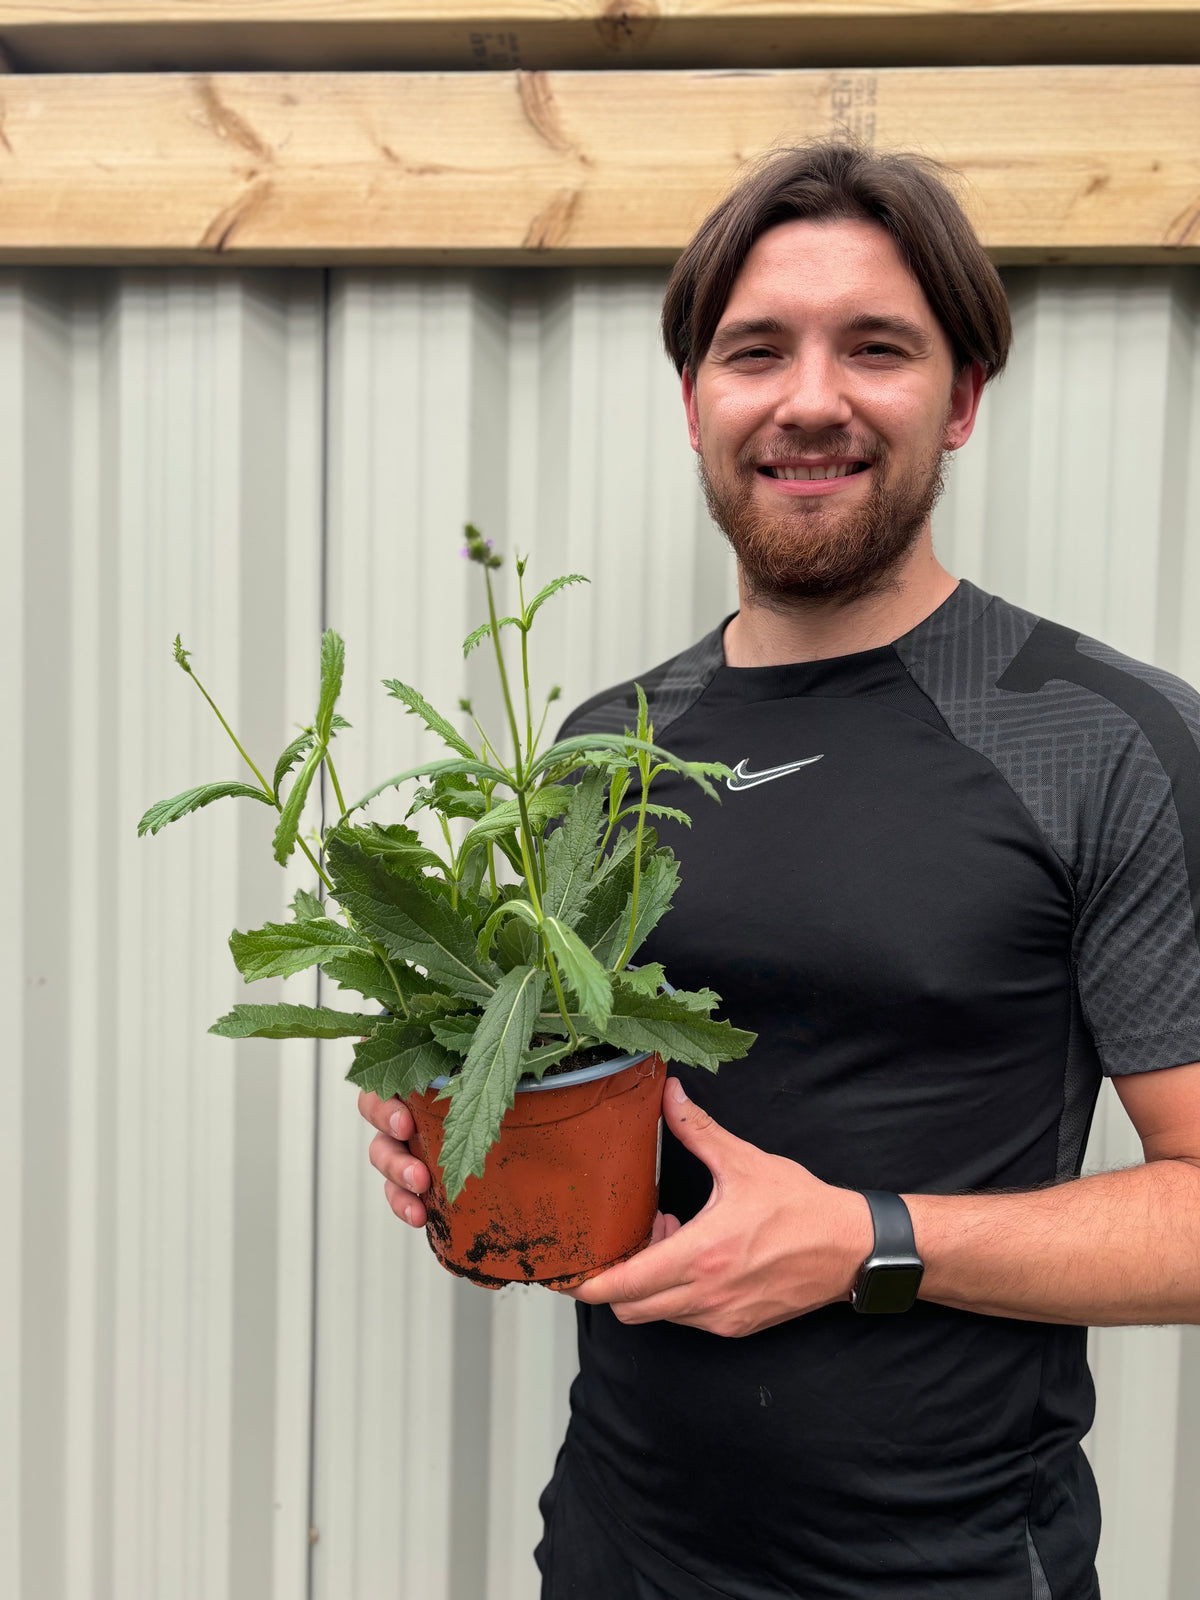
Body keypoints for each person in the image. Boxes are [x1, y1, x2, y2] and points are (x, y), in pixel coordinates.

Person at [356, 144, 1200, 1598]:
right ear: (695, 403)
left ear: (963, 399)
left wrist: (868, 1241)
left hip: (947, 1571)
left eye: (876, 347)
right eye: (757, 351)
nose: (811, 399)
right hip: (615, 1549)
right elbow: (577, 1108)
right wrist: (463, 1143)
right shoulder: (595, 750)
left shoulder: (1101, 740)